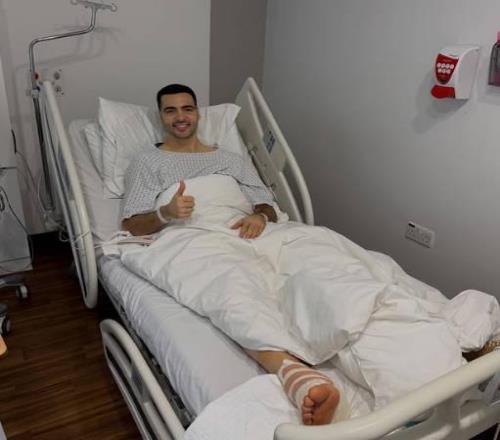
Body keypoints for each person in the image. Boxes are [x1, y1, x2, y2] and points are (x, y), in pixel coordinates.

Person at [121, 83, 498, 426]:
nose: (181, 117)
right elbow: (132, 224)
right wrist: (165, 214)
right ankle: (296, 374)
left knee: (332, 269)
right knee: (233, 291)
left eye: (187, 108)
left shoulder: (231, 160)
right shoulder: (147, 162)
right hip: (196, 237)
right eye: (170, 110)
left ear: (198, 113)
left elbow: (265, 202)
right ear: (161, 117)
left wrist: (259, 216)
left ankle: (435, 343)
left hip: (257, 231)